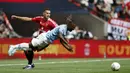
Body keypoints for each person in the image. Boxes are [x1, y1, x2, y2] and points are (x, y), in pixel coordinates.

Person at [8, 19, 76, 69]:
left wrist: (67, 48)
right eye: (73, 28)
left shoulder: (65, 29)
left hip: (46, 41)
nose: (73, 29)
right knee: (30, 46)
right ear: (70, 26)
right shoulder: (63, 28)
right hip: (45, 38)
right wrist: (68, 44)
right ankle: (13, 47)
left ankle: (30, 65)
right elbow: (60, 36)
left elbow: (61, 40)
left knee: (30, 49)